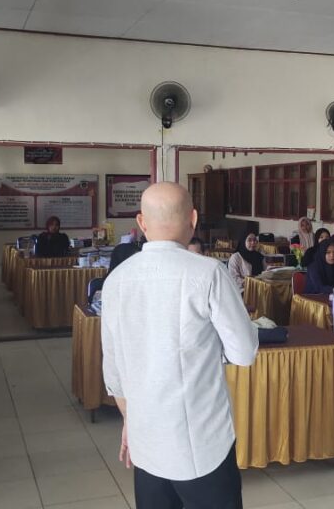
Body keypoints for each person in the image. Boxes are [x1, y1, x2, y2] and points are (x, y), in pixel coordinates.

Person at [101, 182, 258, 508]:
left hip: (146, 440)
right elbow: (244, 353)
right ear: (193, 219)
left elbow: (113, 370)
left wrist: (130, 422)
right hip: (202, 444)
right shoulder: (209, 273)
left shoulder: (117, 279)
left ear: (141, 222)